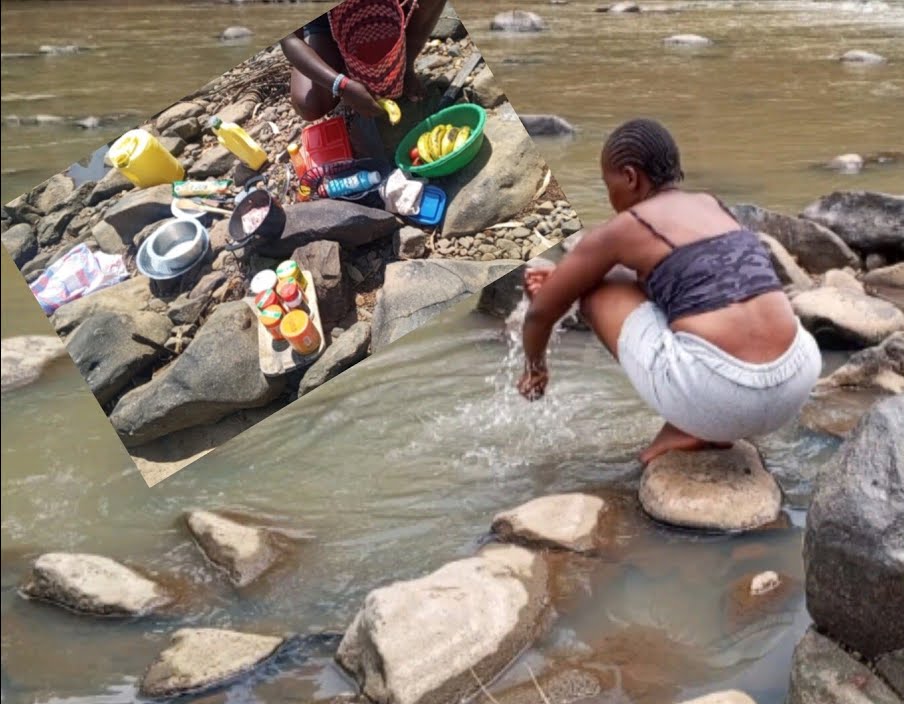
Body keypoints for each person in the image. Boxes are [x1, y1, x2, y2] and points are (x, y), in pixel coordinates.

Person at [519, 119, 822, 464]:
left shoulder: (628, 226)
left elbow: (541, 312)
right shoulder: (712, 204)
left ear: (631, 177)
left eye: (609, 184)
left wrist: (535, 368)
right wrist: (565, 278)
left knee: (594, 291)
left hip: (720, 393)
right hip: (796, 379)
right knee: (663, 290)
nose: (610, 196)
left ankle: (690, 425)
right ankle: (705, 418)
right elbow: (678, 281)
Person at [282, 0, 448, 121]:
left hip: (379, 7)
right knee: (309, 105)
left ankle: (405, 68)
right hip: (325, 25)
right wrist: (341, 85)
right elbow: (289, 40)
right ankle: (346, 67)